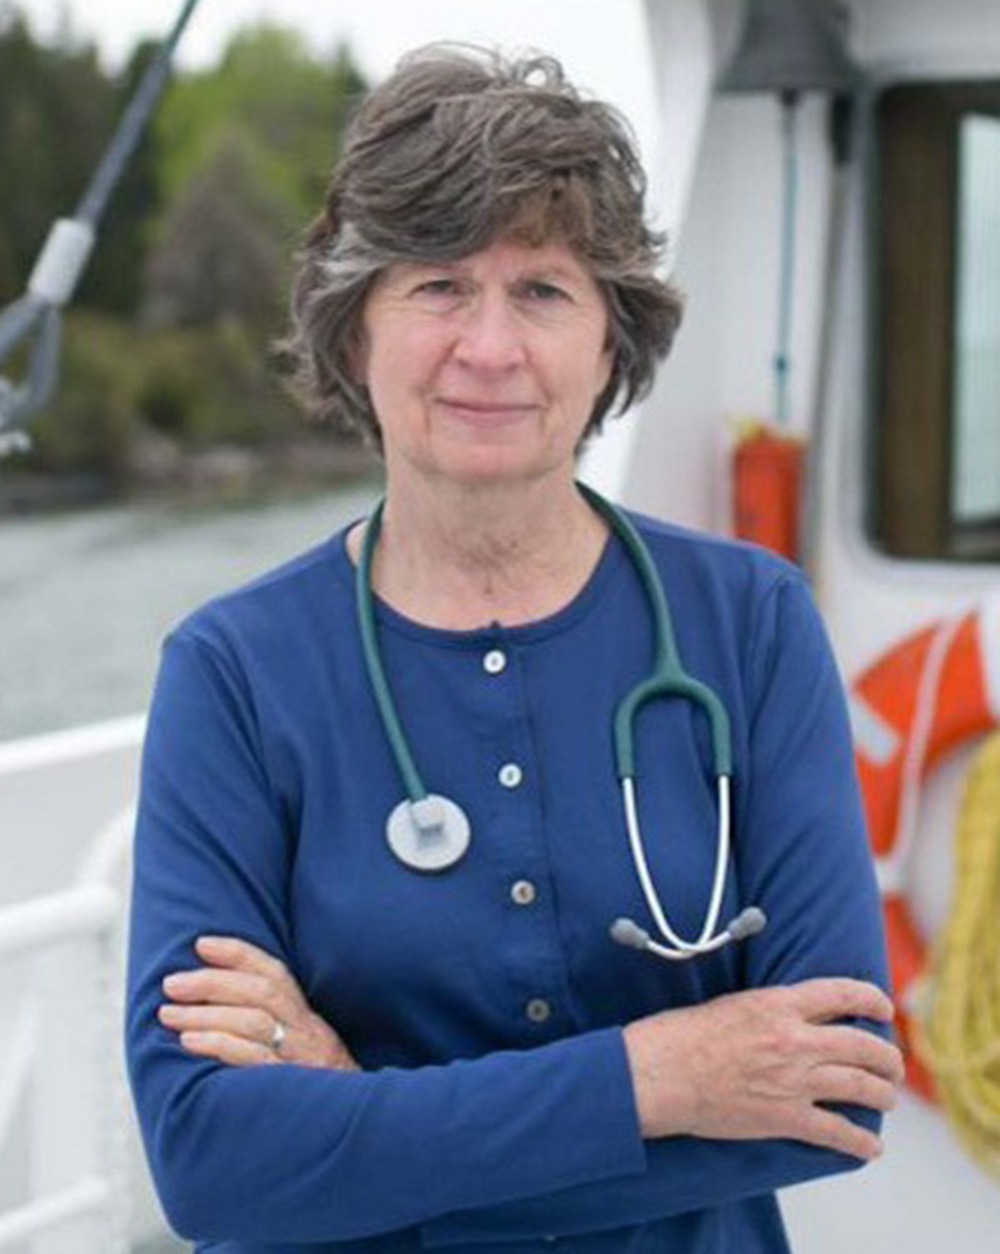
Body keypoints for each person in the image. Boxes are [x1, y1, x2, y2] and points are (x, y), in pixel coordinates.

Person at [126, 45, 903, 1254]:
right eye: (437, 285)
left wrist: (349, 1119)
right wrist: (652, 1078)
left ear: (610, 343)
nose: (489, 348)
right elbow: (208, 1163)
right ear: (353, 331)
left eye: (542, 290)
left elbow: (832, 1092)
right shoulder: (234, 672)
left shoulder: (749, 622)